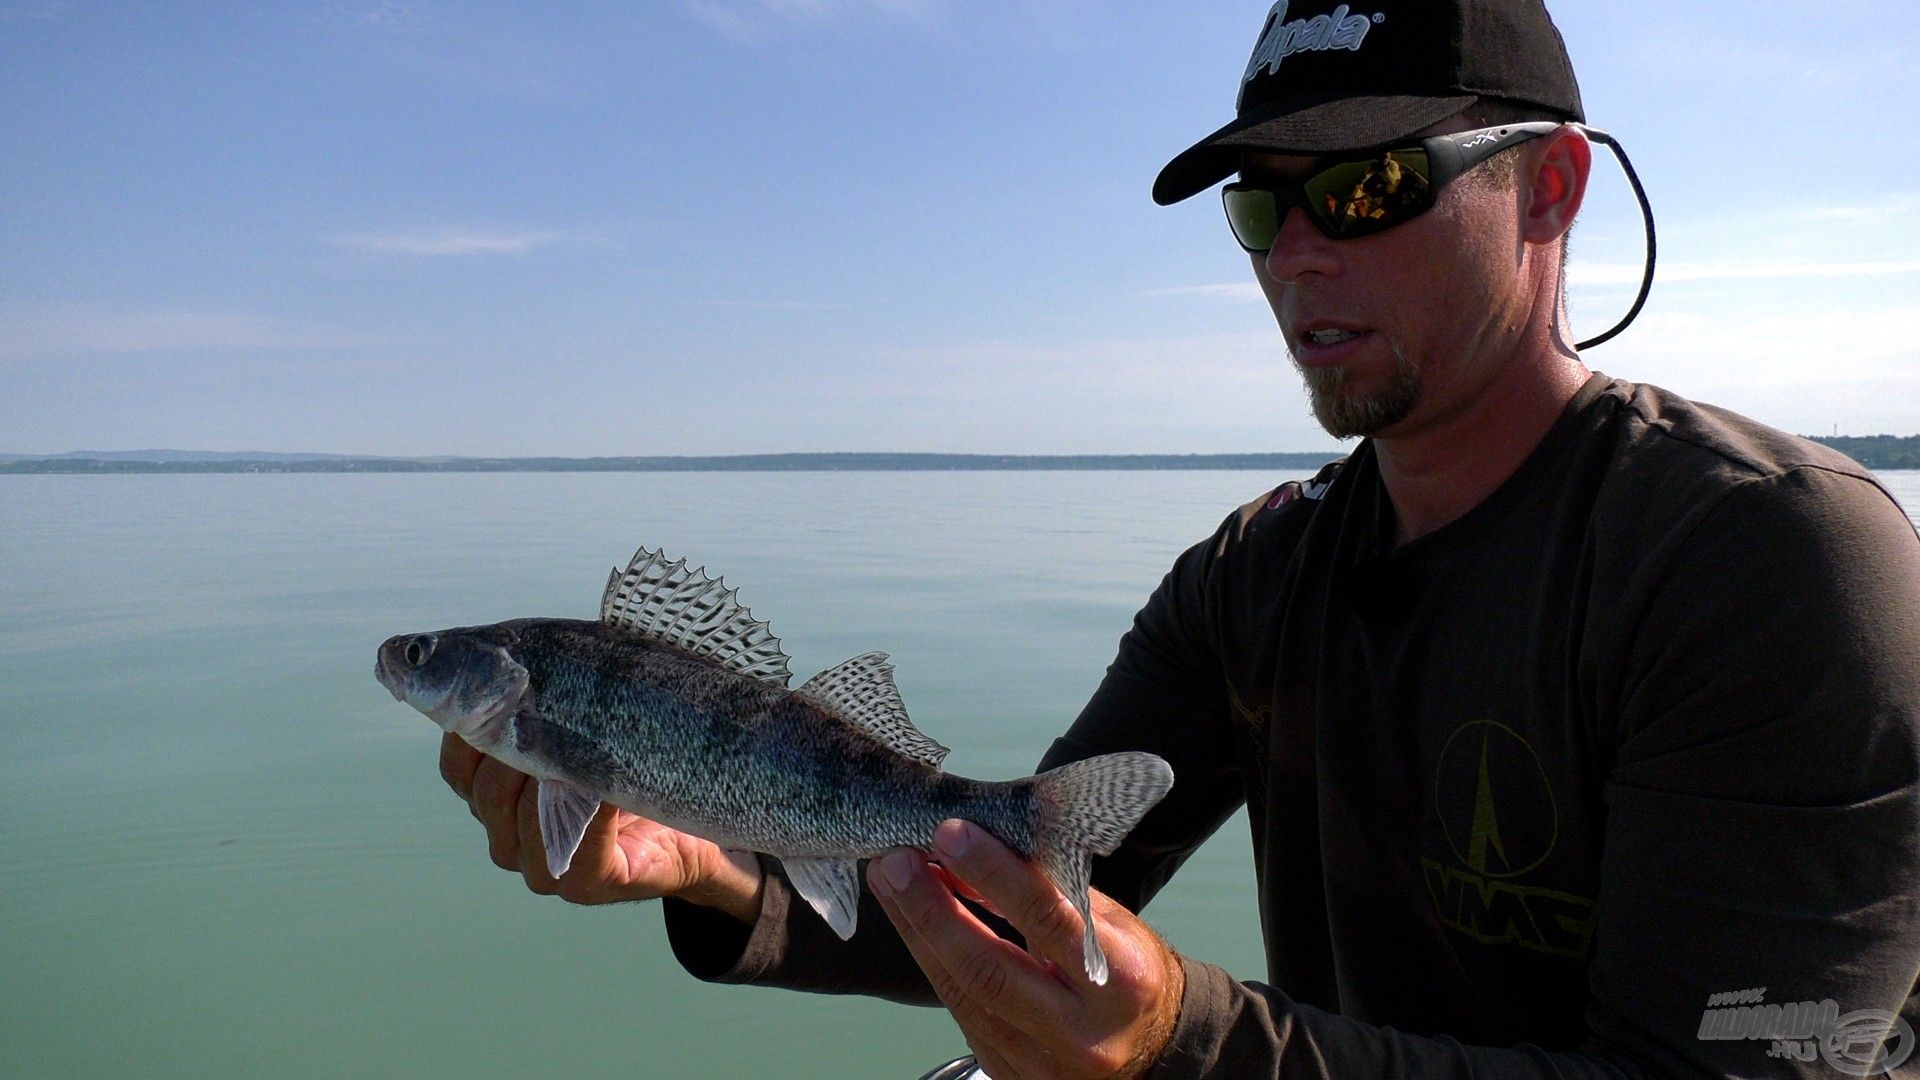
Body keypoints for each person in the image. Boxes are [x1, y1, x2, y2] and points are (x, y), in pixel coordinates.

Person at [438, 1, 1920, 1075]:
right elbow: (999, 899)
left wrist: (1177, 1039)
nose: (1299, 254)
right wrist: (708, 867)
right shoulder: (1252, 581)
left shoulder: (1773, 568)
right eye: (1259, 210)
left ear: (1551, 187)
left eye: (1366, 186)